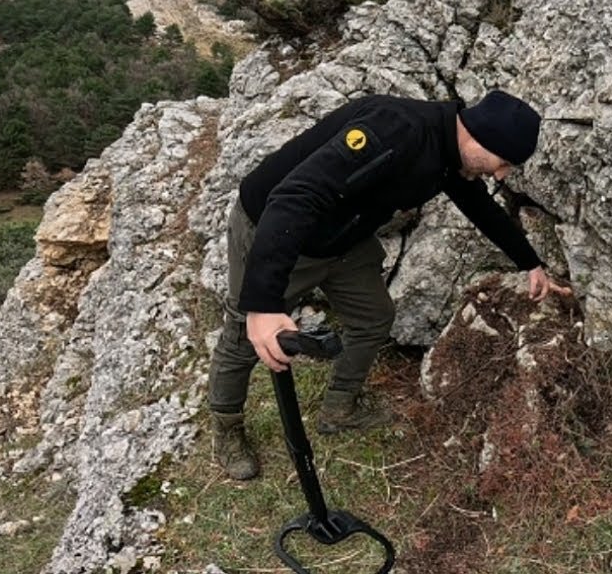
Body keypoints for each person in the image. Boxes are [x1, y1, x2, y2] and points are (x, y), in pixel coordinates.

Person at [209, 89, 572, 479]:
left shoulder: (450, 155)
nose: (502, 174)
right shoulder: (396, 130)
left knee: (374, 316)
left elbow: (478, 205)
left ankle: (339, 408)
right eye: (504, 163)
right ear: (481, 138)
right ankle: (227, 430)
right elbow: (295, 197)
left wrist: (530, 263)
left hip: (343, 240)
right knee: (243, 337)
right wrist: (263, 304)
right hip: (275, 230)